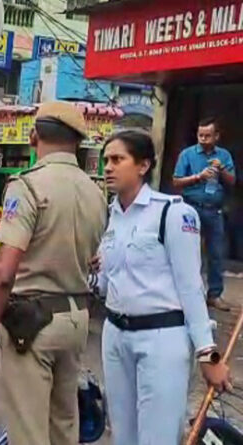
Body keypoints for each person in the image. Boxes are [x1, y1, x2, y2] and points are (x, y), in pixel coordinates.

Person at [0, 102, 107, 445]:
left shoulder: (27, 187)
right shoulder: (95, 192)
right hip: (76, 318)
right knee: (63, 426)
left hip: (33, 324)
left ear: (34, 136)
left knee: (27, 431)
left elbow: (2, 274)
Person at [95, 130, 232, 444]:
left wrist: (209, 358)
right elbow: (106, 283)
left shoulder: (173, 213)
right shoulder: (113, 215)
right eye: (106, 160)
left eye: (117, 159)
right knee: (123, 435)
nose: (108, 167)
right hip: (115, 335)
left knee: (158, 437)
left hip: (161, 339)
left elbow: (191, 289)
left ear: (143, 166)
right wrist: (95, 273)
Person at [172, 117, 237, 311]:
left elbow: (232, 182)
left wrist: (222, 169)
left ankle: (214, 295)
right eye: (200, 135)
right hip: (190, 208)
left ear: (216, 136)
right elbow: (176, 181)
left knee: (216, 254)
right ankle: (183, 294)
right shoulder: (187, 154)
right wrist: (199, 177)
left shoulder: (224, 156)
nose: (203, 139)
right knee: (187, 252)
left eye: (208, 136)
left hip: (214, 210)